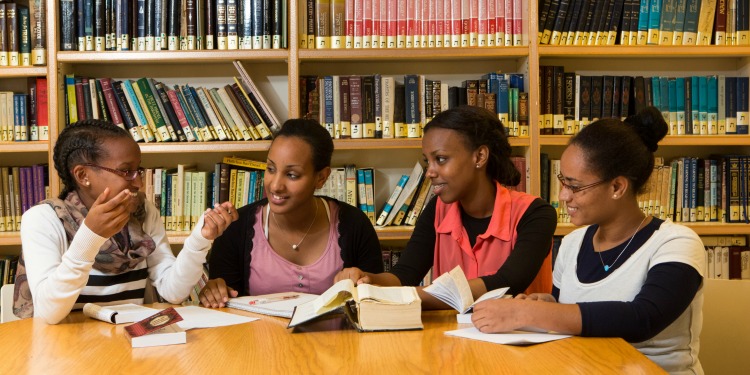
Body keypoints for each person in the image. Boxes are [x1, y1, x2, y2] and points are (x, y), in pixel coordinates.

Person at [471, 107, 704, 374]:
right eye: (562, 181)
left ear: (617, 187)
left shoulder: (676, 243)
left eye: (574, 186)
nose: (562, 196)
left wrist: (526, 314)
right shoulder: (572, 243)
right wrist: (549, 305)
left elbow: (643, 319)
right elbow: (572, 315)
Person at [14, 119, 237, 324]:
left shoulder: (143, 212)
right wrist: (90, 236)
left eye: (138, 170)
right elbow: (48, 313)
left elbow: (173, 292)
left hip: (132, 346)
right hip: (67, 352)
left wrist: (200, 239)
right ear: (83, 176)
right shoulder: (43, 219)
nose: (138, 182)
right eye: (125, 171)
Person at [335, 106, 557, 309]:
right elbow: (404, 275)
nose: (430, 172)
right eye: (427, 162)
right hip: (454, 342)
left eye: (440, 159)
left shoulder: (535, 214)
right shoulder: (437, 209)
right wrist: (369, 281)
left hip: (517, 345)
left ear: (479, 156)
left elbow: (506, 283)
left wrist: (408, 296)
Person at [200, 119, 384, 308]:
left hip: (339, 338)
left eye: (292, 175)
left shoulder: (354, 224)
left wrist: (364, 281)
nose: (275, 185)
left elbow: (376, 302)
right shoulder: (236, 228)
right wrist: (215, 293)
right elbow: (226, 310)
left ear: (321, 178)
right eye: (271, 169)